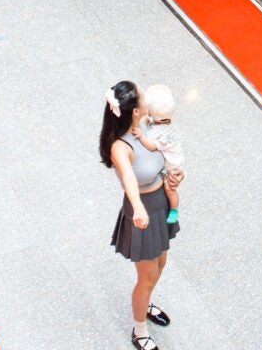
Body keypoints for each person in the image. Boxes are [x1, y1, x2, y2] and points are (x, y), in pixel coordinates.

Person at [102, 81, 178, 350]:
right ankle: (139, 331)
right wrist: (138, 206)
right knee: (146, 276)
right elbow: (130, 182)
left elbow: (164, 145)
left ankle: (145, 302)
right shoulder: (120, 147)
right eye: (143, 98)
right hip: (142, 211)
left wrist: (173, 173)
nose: (147, 100)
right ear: (134, 111)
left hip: (160, 204)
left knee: (160, 264)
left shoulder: (145, 125)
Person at [137, 83, 187, 226]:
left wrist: (141, 137)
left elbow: (152, 146)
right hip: (176, 163)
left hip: (172, 168)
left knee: (169, 189)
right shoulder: (170, 125)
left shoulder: (157, 132)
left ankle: (174, 209)